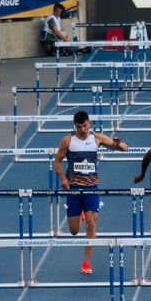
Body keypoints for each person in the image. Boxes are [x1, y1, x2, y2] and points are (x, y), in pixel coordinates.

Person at [53, 109, 128, 272]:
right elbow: (56, 162)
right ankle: (83, 214)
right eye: (79, 127)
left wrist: (117, 144)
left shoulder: (97, 138)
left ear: (89, 123)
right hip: (73, 189)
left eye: (85, 126)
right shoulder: (67, 141)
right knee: (73, 231)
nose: (83, 130)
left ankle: (86, 263)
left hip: (91, 187)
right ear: (75, 126)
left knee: (91, 224)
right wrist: (62, 178)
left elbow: (124, 148)